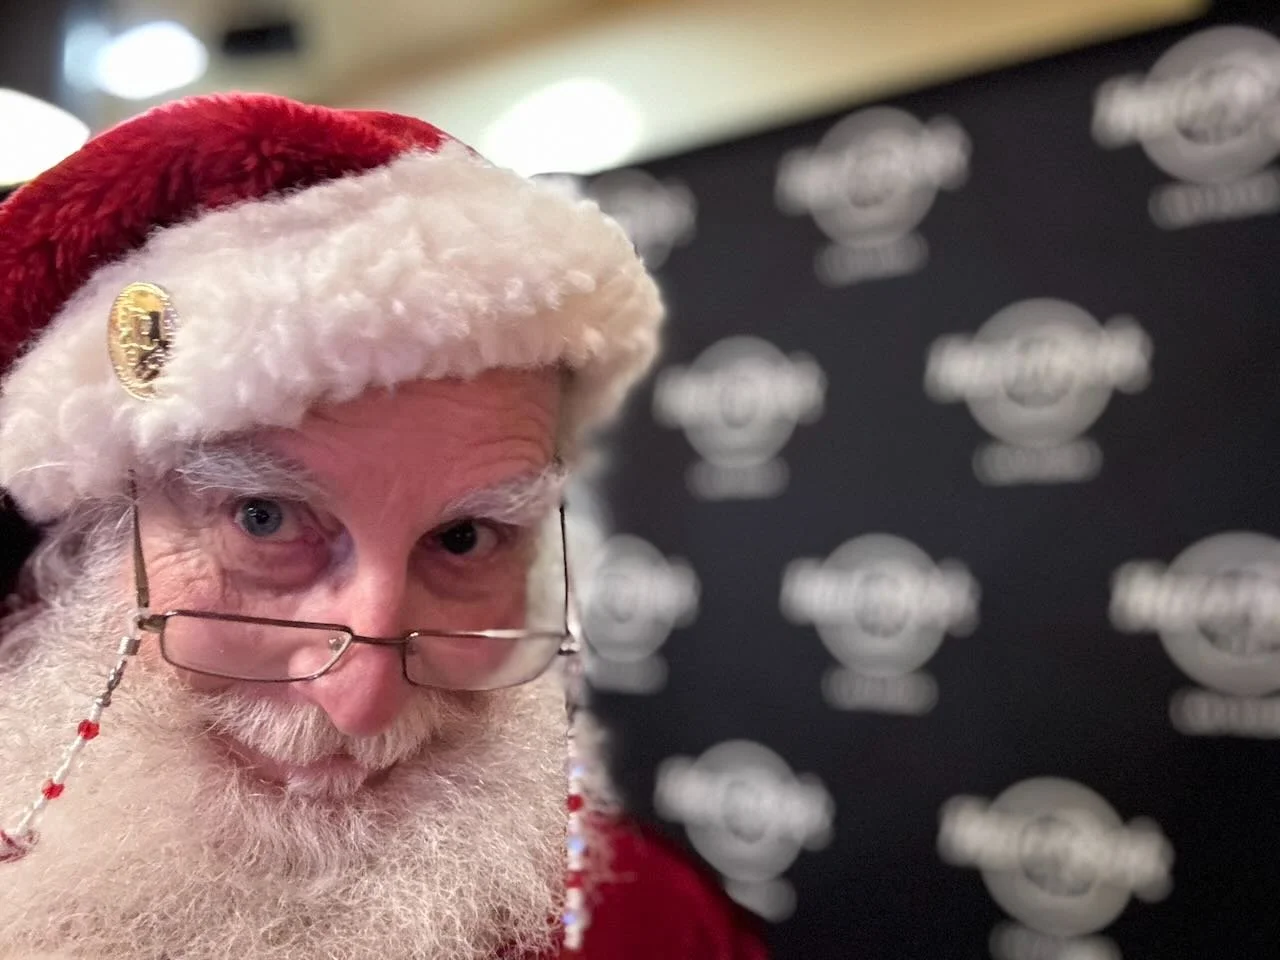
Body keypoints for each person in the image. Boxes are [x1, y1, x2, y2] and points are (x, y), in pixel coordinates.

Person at [0, 93, 767, 960]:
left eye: (465, 537)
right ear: (76, 552)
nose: (363, 702)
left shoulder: (652, 929)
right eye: (264, 519)